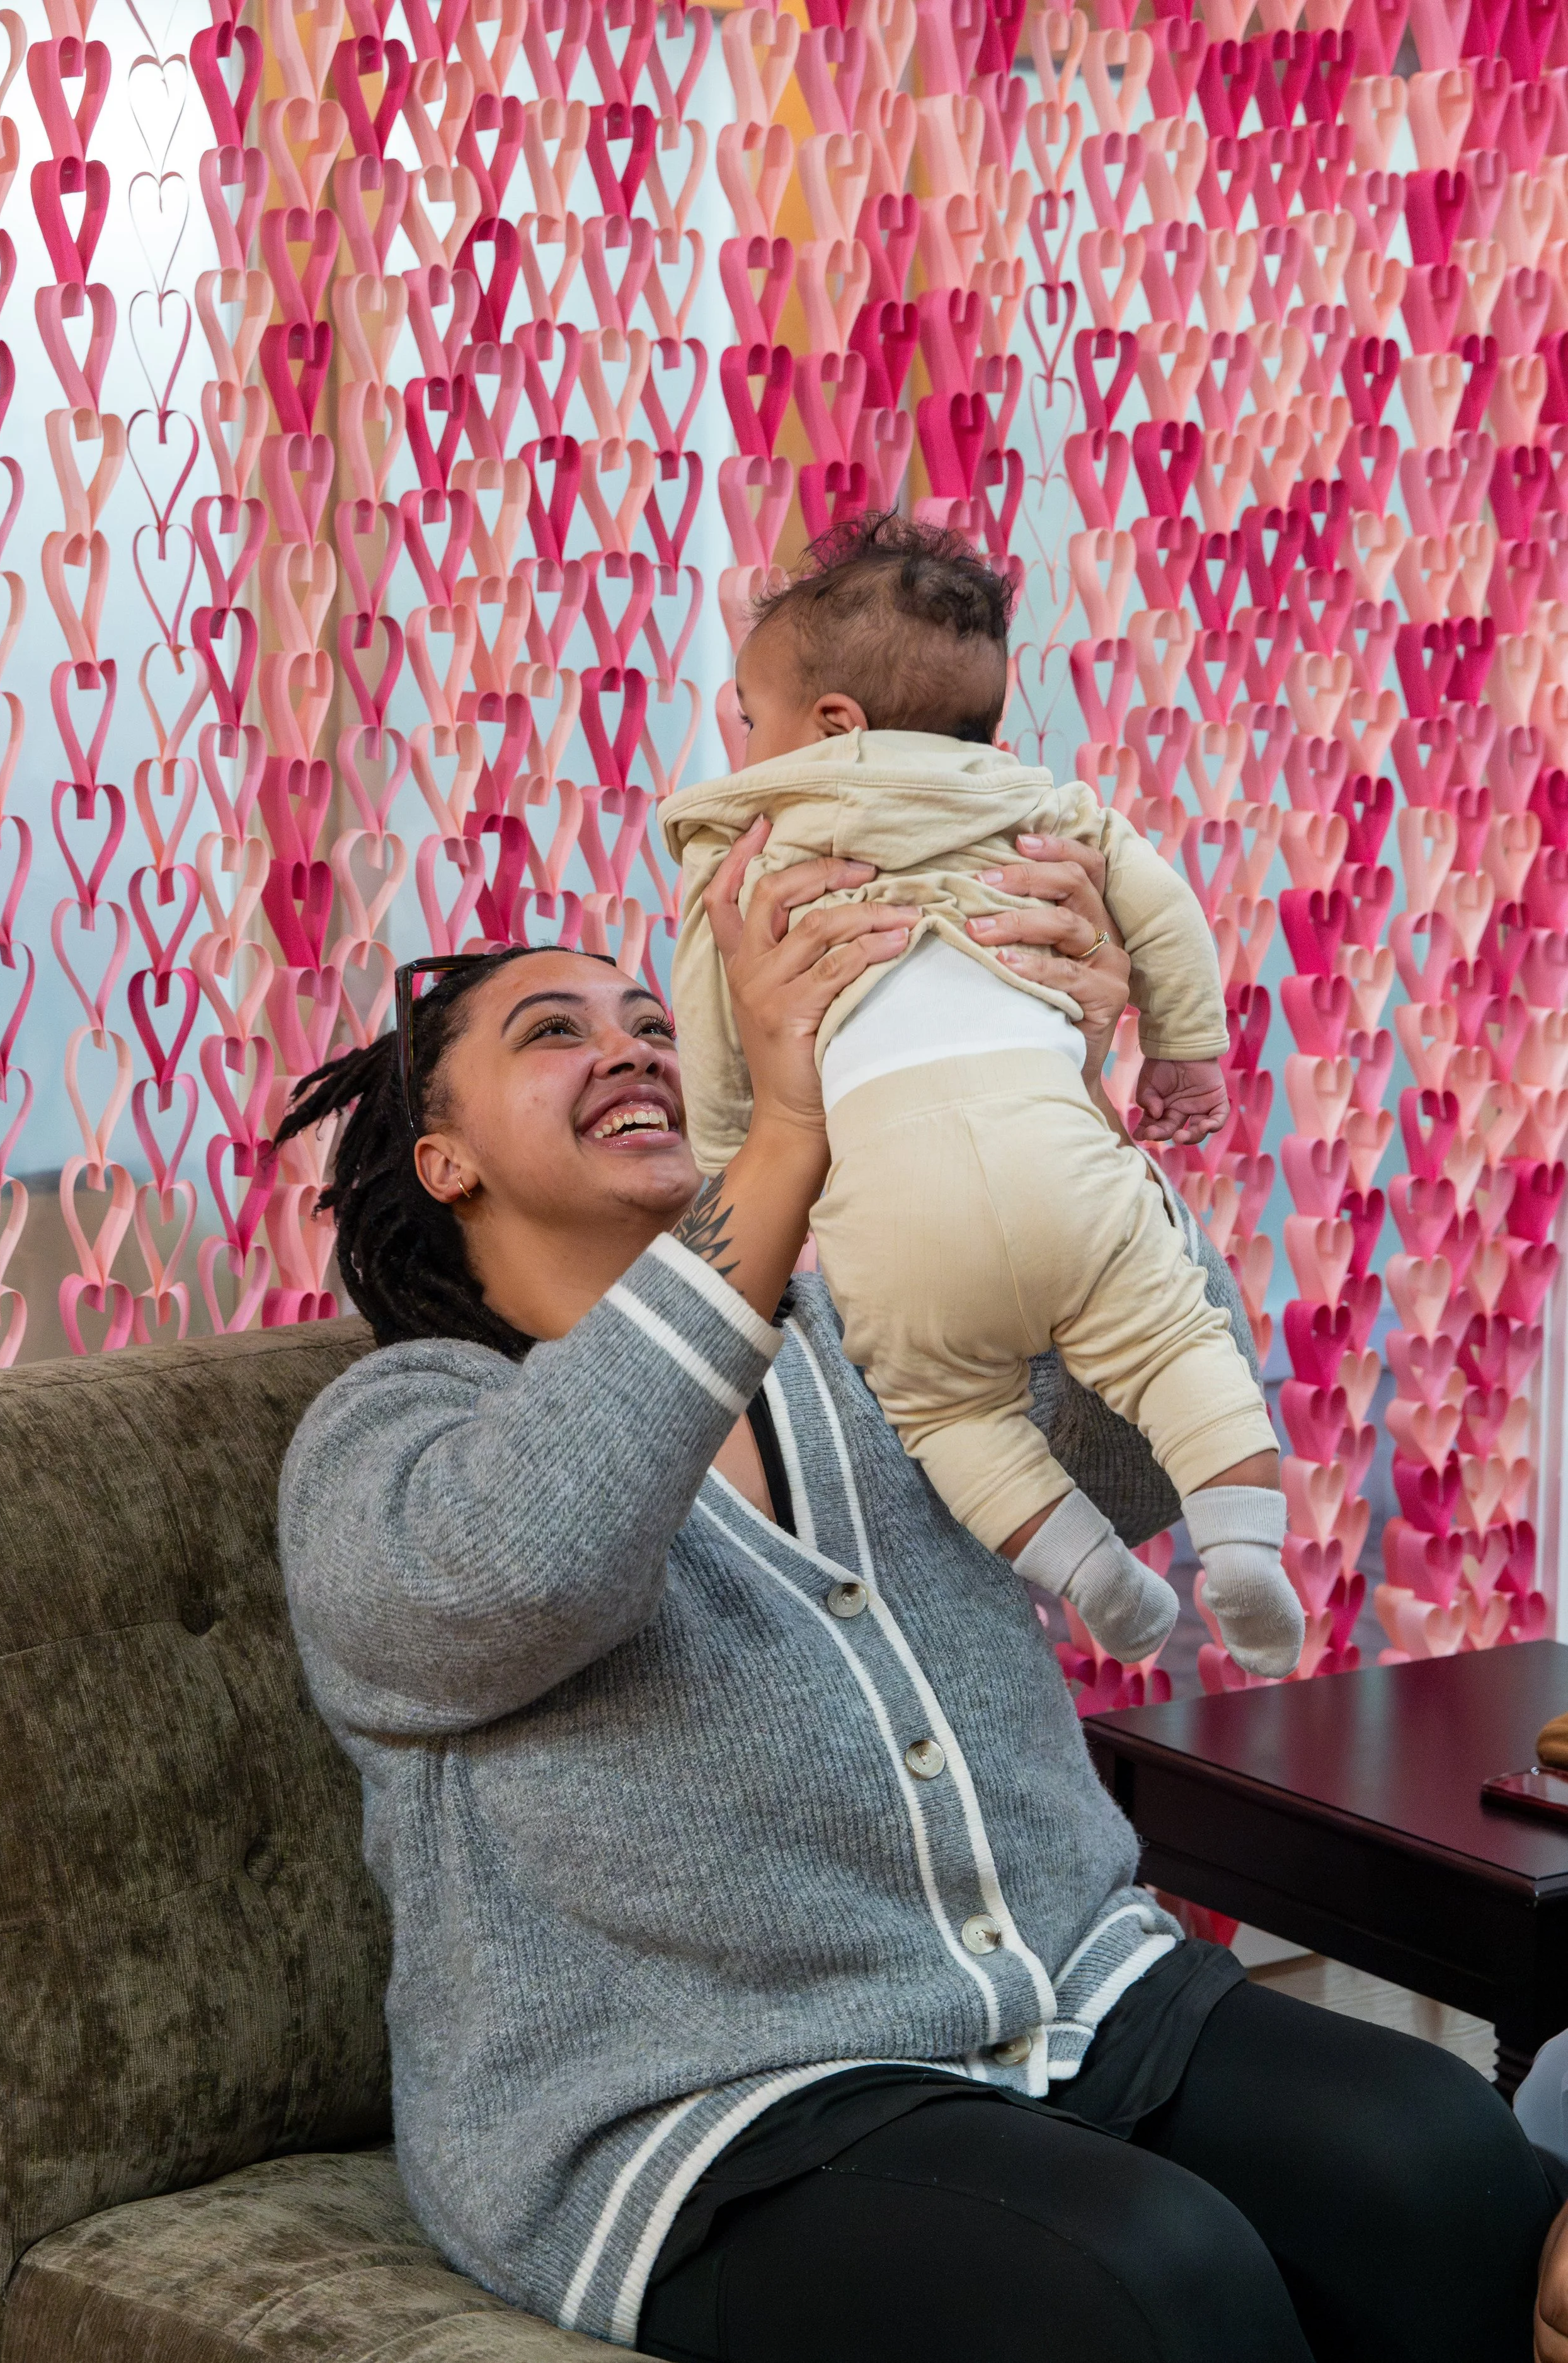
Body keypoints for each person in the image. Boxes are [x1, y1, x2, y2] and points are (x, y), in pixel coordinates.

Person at [277, 838, 1556, 2363]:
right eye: (551, 1032)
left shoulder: (876, 1328)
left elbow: (1135, 1459)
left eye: (643, 1019)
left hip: (1072, 1997)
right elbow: (523, 1570)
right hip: (709, 2105)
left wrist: (1059, 1120)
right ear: (444, 1160)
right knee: (1155, 2284)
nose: (627, 1045)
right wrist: (778, 1158)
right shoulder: (394, 1437)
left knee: (1449, 2170)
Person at [660, 512, 1302, 1684]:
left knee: (949, 1413)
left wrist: (727, 1171)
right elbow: (1162, 911)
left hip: (895, 1214)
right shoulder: (1044, 814)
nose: (743, 744)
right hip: (1060, 1156)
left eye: (752, 716)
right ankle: (1247, 1547)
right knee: (1172, 1337)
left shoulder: (747, 857)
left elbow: (717, 1029)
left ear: (834, 726)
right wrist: (1180, 1053)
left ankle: (1097, 1576)